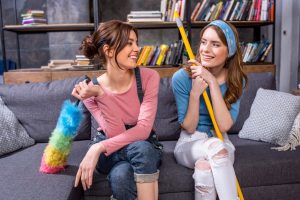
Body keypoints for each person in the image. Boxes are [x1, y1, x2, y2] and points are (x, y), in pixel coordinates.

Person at [72, 20, 162, 200]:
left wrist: (97, 148)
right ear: (109, 50)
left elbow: (143, 130)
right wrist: (101, 95)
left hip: (137, 144)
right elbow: (116, 132)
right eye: (130, 43)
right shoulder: (91, 90)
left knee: (121, 175)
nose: (137, 48)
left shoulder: (149, 77)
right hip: (111, 149)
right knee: (142, 150)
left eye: (136, 42)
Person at [172, 20, 247, 200]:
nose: (205, 49)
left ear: (229, 51)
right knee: (216, 149)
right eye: (204, 42)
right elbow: (189, 127)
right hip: (190, 143)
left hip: (221, 140)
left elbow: (223, 127)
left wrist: (212, 82)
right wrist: (195, 94)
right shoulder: (182, 77)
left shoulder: (236, 80)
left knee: (204, 168)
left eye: (215, 44)